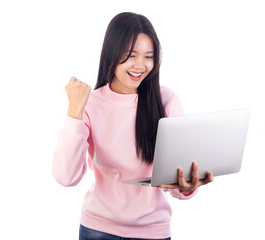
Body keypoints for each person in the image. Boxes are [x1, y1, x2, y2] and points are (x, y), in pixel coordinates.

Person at [52, 12, 214, 240]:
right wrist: (74, 111)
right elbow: (66, 177)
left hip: (153, 231)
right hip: (97, 230)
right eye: (131, 55)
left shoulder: (167, 101)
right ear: (112, 53)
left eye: (148, 56)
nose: (140, 65)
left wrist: (187, 186)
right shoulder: (90, 103)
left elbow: (177, 181)